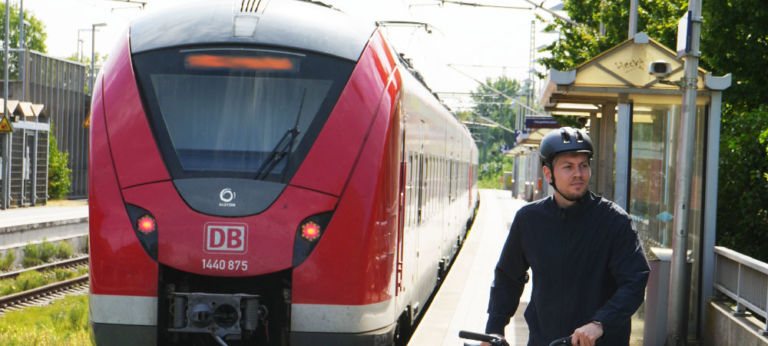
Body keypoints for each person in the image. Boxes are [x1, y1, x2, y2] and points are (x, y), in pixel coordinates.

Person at [482, 127, 650, 346]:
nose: (578, 174)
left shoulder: (615, 221)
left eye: (583, 166)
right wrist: (494, 329)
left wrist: (599, 323)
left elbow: (635, 281)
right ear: (548, 173)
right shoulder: (529, 220)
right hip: (544, 341)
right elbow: (508, 277)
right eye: (568, 167)